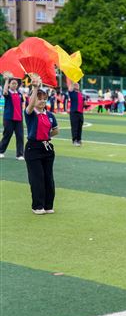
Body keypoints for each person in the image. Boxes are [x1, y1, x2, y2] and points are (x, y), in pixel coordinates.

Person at [23, 77, 58, 215]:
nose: (42, 100)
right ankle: (37, 206)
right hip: (33, 149)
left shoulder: (50, 115)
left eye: (44, 98)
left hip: (47, 148)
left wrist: (46, 137)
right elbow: (30, 105)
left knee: (48, 178)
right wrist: (35, 88)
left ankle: (48, 205)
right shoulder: (30, 113)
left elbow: (56, 130)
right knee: (37, 178)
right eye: (39, 98)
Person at [0, 77, 25, 160]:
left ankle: (20, 154)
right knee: (7, 135)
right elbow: (4, 92)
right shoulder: (8, 93)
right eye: (13, 83)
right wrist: (6, 80)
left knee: (20, 136)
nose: (14, 85)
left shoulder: (19, 94)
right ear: (9, 84)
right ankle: (1, 151)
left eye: (16, 83)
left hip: (19, 119)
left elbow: (22, 103)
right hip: (9, 118)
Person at [67, 82, 85, 146]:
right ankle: (74, 140)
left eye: (78, 85)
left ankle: (79, 139)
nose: (77, 85)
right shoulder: (72, 93)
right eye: (76, 85)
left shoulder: (81, 94)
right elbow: (69, 89)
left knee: (80, 127)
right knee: (75, 127)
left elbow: (83, 103)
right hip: (74, 112)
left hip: (80, 113)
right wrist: (72, 82)